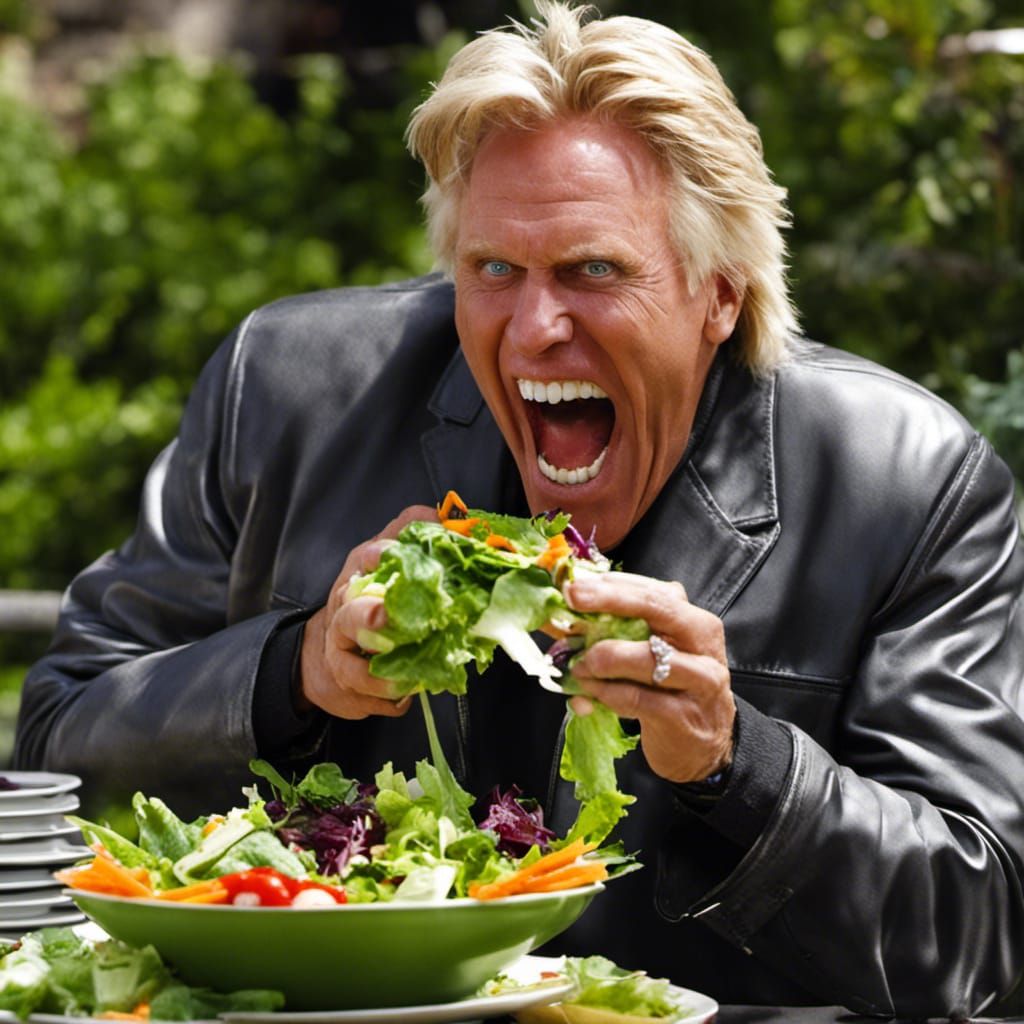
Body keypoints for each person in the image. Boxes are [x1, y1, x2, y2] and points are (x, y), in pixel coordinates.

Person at [14, 2, 1024, 1017]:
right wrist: (293, 670)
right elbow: (57, 759)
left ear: (719, 293)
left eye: (594, 270)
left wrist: (735, 763)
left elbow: (979, 939)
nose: (535, 327)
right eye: (494, 270)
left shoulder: (909, 479)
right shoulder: (282, 393)